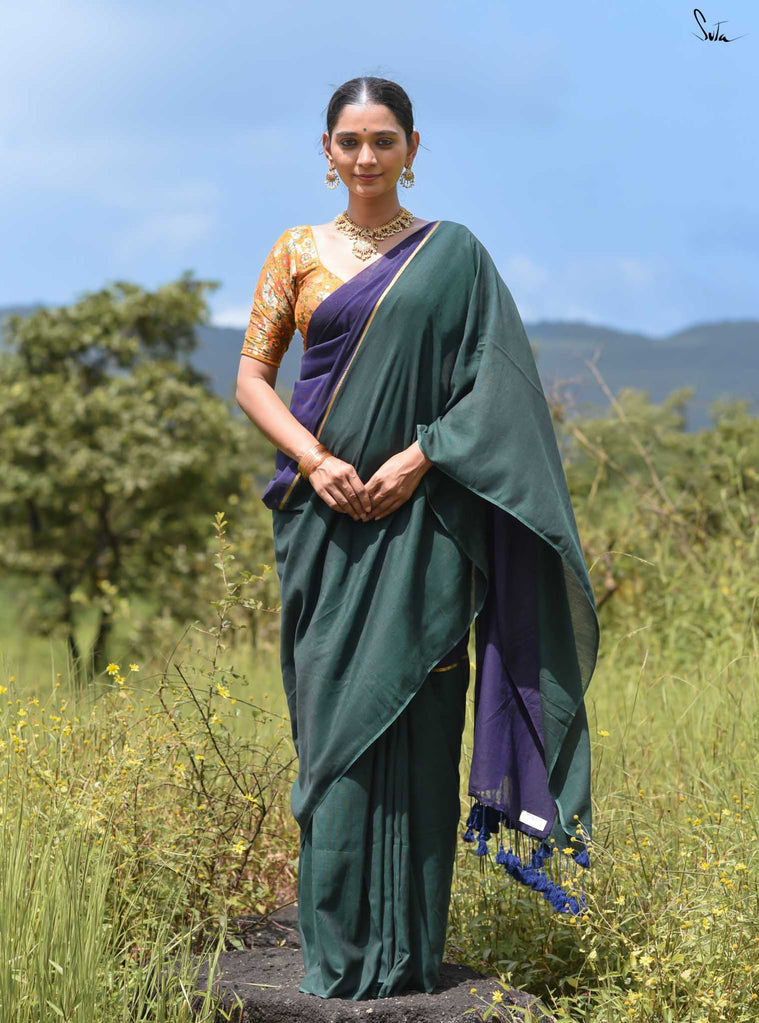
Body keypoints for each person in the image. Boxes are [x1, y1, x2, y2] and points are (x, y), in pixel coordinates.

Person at [235, 76, 599, 1001]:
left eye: (383, 140)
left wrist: (420, 455)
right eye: (349, 141)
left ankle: (410, 957)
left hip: (423, 529)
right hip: (323, 531)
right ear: (326, 152)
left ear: (412, 147)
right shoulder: (295, 251)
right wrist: (315, 460)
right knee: (330, 734)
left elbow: (496, 389)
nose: (366, 157)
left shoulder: (454, 256)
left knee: (424, 718)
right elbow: (251, 378)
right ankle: (337, 953)